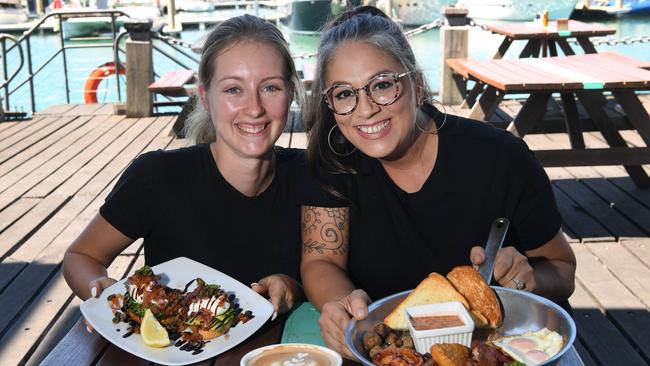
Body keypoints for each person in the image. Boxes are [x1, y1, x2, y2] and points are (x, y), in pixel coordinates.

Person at [300, 7, 577, 359]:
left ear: (415, 85)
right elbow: (321, 262)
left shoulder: (501, 158)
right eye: (344, 94)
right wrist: (342, 306)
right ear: (329, 104)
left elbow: (563, 270)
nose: (365, 109)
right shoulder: (332, 162)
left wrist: (529, 279)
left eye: (383, 85)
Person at [63, 14, 332, 325]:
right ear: (205, 97)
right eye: (233, 90)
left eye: (270, 87)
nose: (255, 107)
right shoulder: (157, 176)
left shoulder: (311, 174)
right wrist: (101, 291)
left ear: (292, 94)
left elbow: (322, 272)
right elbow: (81, 257)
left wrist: (291, 288)